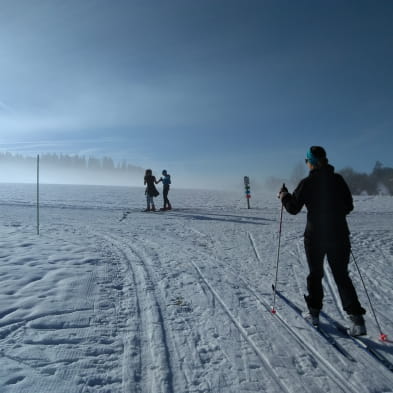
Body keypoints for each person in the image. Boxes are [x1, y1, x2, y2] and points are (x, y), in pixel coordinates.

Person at [278, 146, 366, 336]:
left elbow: (293, 208)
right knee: (341, 275)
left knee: (315, 274)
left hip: (315, 236)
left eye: (306, 161)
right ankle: (357, 321)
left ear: (310, 162)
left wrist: (284, 196)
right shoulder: (338, 180)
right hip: (339, 234)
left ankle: (314, 314)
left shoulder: (308, 182)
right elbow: (348, 206)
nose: (306, 164)